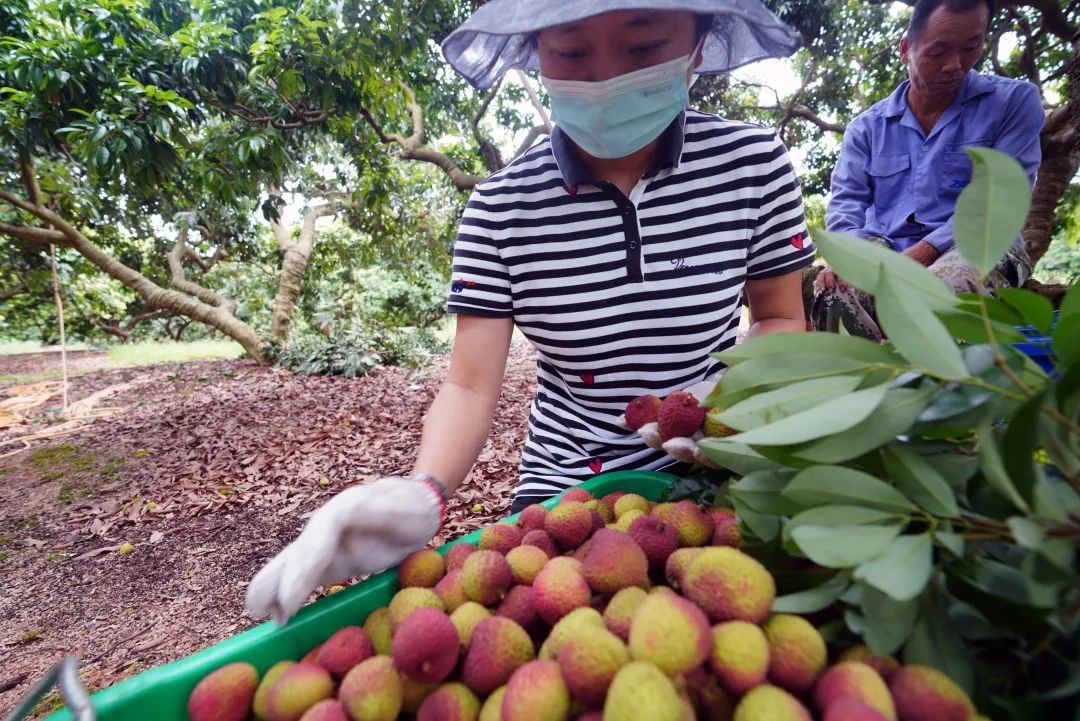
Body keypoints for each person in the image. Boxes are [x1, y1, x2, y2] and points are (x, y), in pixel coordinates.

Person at [247, 0, 816, 624]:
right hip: (565, 486)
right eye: (572, 53)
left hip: (709, 464)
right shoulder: (499, 210)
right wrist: (424, 491)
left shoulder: (752, 166)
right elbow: (469, 382)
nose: (603, 79)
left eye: (644, 46)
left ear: (698, 47)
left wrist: (728, 398)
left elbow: (782, 318)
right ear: (536, 55)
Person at [813, 0, 1044, 339]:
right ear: (906, 49)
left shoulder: (1014, 103)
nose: (955, 65)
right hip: (886, 244)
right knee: (833, 291)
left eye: (971, 47)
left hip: (980, 243)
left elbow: (1002, 200)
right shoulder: (867, 127)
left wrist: (924, 252)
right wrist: (847, 257)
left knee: (942, 291)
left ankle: (937, 387)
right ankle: (858, 379)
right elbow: (847, 203)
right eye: (938, 53)